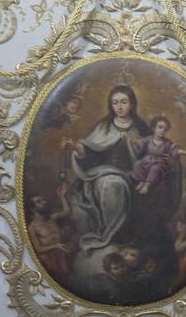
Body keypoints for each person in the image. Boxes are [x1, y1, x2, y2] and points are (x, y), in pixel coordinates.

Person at [63, 84, 150, 255]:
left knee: (117, 183)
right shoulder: (104, 126)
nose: (119, 107)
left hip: (133, 175)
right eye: (115, 102)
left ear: (132, 103)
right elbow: (90, 152)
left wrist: (137, 145)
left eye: (124, 102)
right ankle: (109, 235)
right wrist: (76, 147)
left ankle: (119, 236)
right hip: (102, 173)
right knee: (112, 184)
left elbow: (151, 154)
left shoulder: (141, 127)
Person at [132, 116, 186, 195]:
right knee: (137, 164)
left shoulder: (166, 143)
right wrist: (136, 142)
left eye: (165, 129)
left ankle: (146, 185)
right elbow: (141, 145)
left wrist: (182, 151)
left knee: (155, 168)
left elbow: (173, 150)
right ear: (154, 128)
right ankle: (141, 181)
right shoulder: (148, 139)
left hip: (159, 162)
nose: (162, 131)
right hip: (147, 160)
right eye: (160, 127)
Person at [27, 186, 74, 278]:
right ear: (32, 209)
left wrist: (62, 197)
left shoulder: (52, 218)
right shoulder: (32, 227)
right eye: (39, 201)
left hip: (63, 255)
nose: (44, 202)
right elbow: (38, 249)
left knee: (70, 277)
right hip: (50, 261)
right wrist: (56, 246)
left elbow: (67, 212)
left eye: (43, 200)